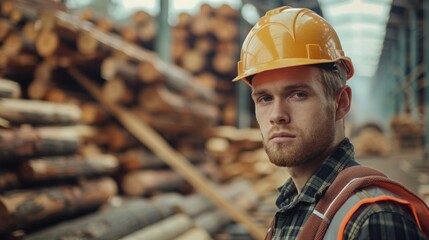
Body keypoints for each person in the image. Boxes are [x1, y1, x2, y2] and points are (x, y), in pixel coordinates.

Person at [232, 6, 428, 239]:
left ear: (341, 102)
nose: (277, 114)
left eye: (298, 94)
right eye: (264, 98)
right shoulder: (292, 206)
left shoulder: (373, 219)